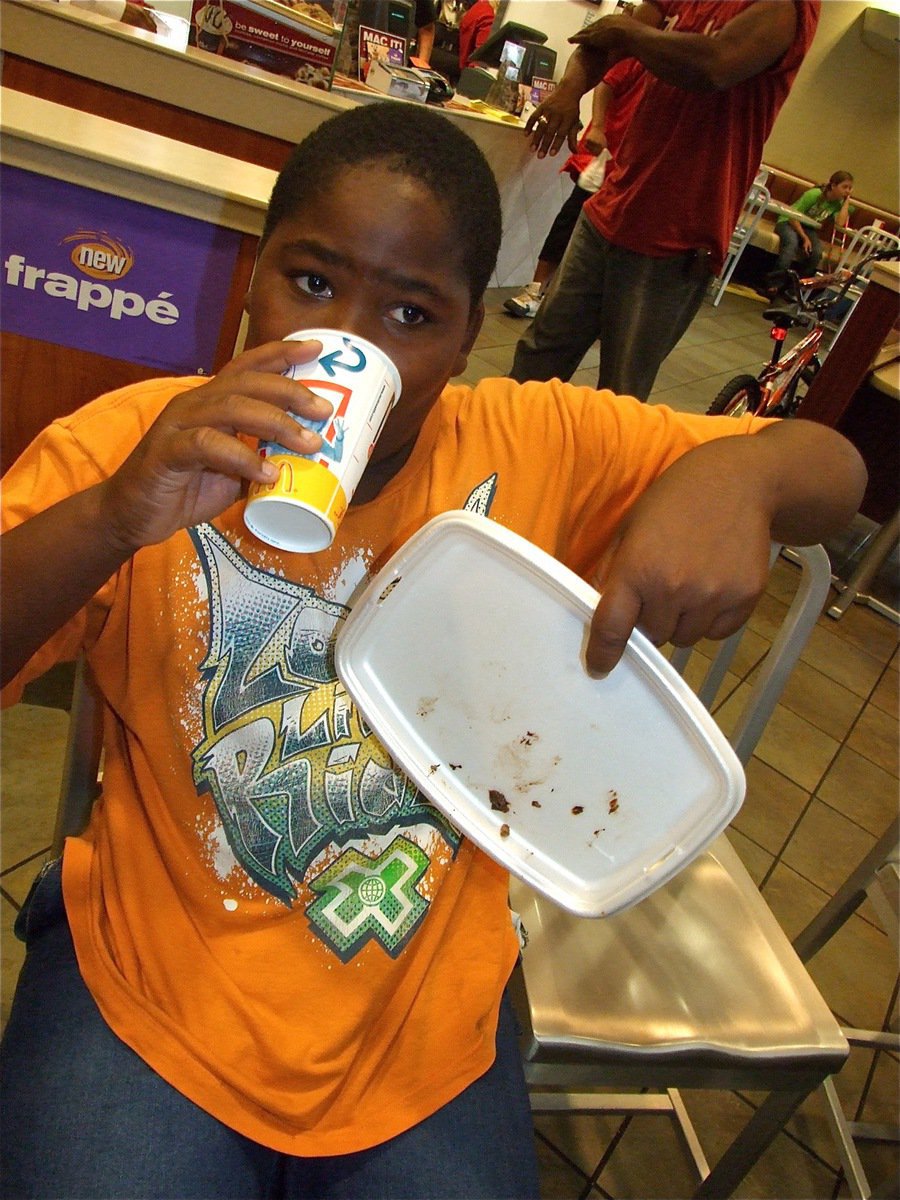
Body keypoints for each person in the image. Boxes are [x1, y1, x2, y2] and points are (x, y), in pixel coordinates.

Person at [0, 100, 866, 1200]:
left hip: (418, 1019)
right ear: (252, 280)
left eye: (412, 312)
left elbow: (832, 469)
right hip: (153, 976)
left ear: (467, 340)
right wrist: (113, 518)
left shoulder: (541, 443)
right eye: (311, 283)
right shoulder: (135, 444)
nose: (352, 340)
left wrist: (740, 475)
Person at [510, 0, 822, 401]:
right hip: (611, 207)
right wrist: (569, 91)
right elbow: (601, 43)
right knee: (539, 353)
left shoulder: (787, 7)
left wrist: (630, 32)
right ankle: (499, 435)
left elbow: (715, 65)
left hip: (677, 236)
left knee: (620, 392)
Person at [504, 57, 646, 320]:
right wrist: (599, 127)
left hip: (638, 170)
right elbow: (606, 83)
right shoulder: (640, 56)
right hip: (605, 157)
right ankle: (536, 290)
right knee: (570, 222)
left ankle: (581, 303)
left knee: (617, 241)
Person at [764, 169, 854, 297]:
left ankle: (796, 289)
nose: (847, 191)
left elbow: (840, 223)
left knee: (816, 253)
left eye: (850, 188)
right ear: (833, 185)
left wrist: (846, 201)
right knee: (791, 244)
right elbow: (793, 215)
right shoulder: (814, 194)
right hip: (788, 221)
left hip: (808, 228)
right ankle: (773, 285)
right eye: (844, 187)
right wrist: (804, 237)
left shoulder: (837, 204)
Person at [458, 0, 495, 70]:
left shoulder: (481, 6)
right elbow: (479, 62)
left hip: (462, 61)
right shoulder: (489, 15)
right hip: (468, 69)